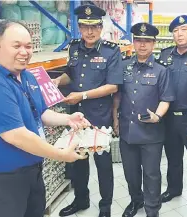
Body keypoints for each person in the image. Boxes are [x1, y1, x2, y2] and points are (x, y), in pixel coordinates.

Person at [0, 20, 91, 217]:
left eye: (28, 46)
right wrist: (60, 155)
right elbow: (16, 135)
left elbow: (39, 113)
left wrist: (68, 118)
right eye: (17, 46)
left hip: (31, 172)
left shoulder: (27, 77)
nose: (24, 52)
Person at [53, 5, 123, 217]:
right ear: (79, 27)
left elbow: (113, 86)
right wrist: (58, 80)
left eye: (94, 27)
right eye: (84, 27)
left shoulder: (112, 50)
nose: (89, 32)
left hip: (99, 118)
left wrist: (83, 95)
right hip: (77, 117)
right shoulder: (74, 47)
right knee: (78, 163)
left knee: (103, 166)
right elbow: (71, 74)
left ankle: (105, 206)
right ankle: (81, 200)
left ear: (101, 28)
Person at [112, 23, 174, 217]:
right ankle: (136, 200)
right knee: (131, 173)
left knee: (151, 174)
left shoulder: (161, 70)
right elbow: (118, 96)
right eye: (139, 40)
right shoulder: (124, 66)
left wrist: (158, 115)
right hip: (127, 131)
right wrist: (115, 118)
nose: (142, 45)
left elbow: (166, 98)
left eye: (147, 41)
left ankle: (152, 209)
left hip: (151, 133)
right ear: (134, 42)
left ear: (153, 44)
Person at [157, 15, 187, 216]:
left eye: (183, 29)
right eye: (176, 31)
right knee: (173, 157)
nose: (179, 34)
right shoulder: (165, 55)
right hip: (169, 117)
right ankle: (173, 188)